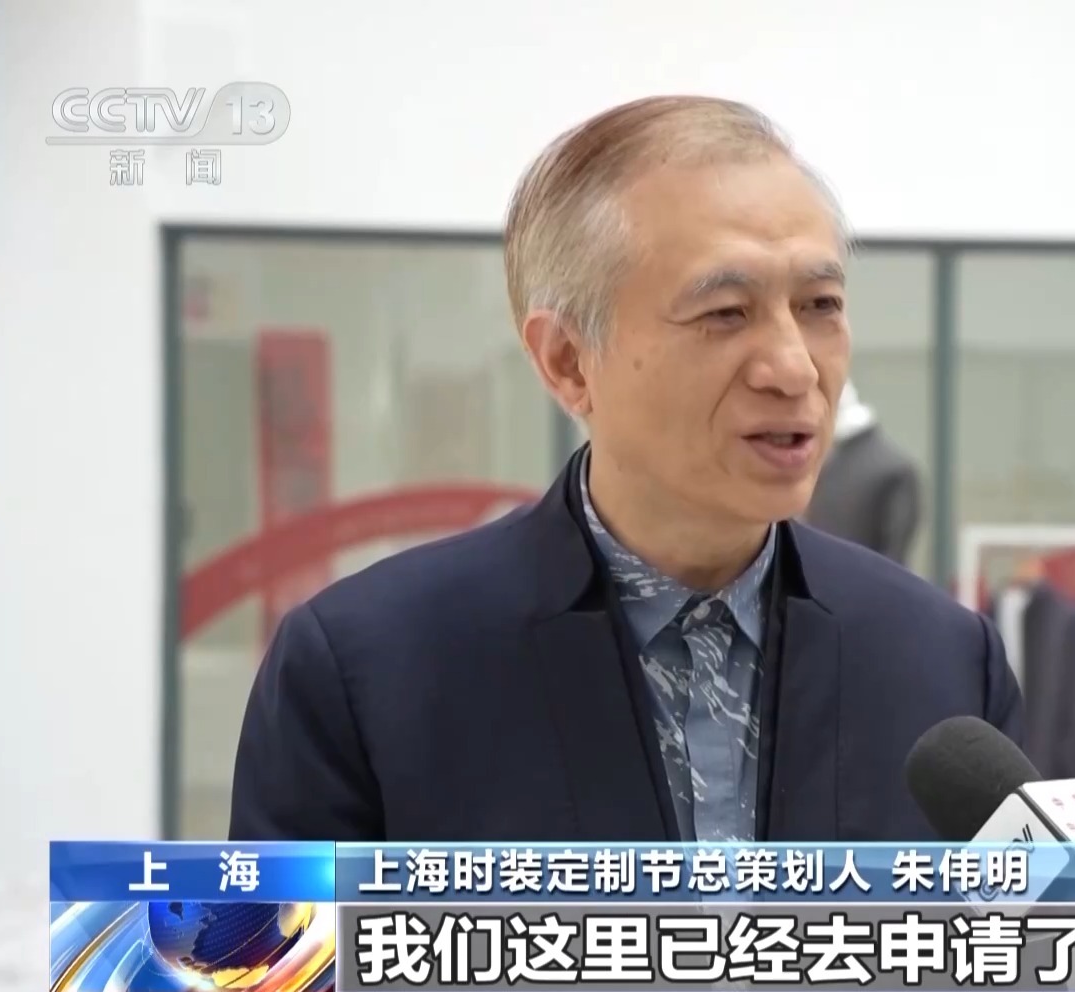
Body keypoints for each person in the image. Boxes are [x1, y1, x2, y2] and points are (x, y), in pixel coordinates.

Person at [227, 96, 1023, 843]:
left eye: (820, 305)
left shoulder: (944, 665)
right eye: (725, 313)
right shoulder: (368, 672)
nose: (794, 368)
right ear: (568, 362)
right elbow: (268, 945)